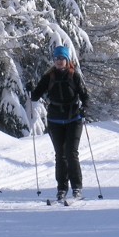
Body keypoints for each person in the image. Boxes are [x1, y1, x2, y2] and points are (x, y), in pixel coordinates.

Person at [28, 45, 90, 203]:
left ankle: (77, 187)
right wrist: (31, 90)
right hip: (55, 120)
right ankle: (62, 188)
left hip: (73, 119)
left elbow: (85, 96)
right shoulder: (49, 77)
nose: (59, 61)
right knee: (60, 156)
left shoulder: (74, 76)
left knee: (71, 153)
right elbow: (35, 96)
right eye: (56, 59)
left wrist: (84, 109)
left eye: (62, 58)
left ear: (67, 60)